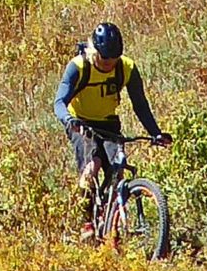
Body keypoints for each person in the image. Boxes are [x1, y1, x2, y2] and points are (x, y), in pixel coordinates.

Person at [53, 21, 169, 211]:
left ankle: (113, 221)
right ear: (95, 51)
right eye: (105, 58)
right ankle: (86, 220)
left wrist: (155, 133)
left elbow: (140, 105)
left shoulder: (126, 68)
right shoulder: (79, 66)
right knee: (92, 165)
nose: (109, 63)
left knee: (118, 169)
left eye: (114, 58)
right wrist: (69, 119)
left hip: (108, 123)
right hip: (80, 122)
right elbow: (59, 102)